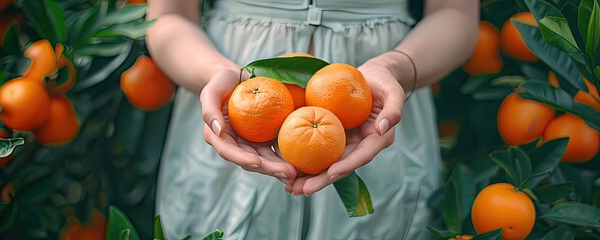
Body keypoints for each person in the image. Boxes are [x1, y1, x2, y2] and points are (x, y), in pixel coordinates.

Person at [146, 0, 477, 239]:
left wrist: (397, 67)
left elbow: (456, 14)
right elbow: (169, 17)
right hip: (238, 103)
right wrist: (214, 74)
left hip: (373, 106)